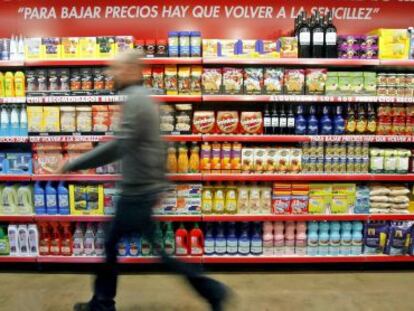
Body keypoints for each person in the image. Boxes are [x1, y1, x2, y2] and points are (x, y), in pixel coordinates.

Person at [58, 50, 230, 311]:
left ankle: (104, 303)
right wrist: (161, 181)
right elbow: (156, 145)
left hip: (137, 191)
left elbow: (119, 146)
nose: (112, 73)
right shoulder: (142, 98)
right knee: (135, 248)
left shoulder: (137, 100)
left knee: (127, 248)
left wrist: (75, 164)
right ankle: (210, 291)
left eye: (116, 68)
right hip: (142, 188)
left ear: (131, 70)